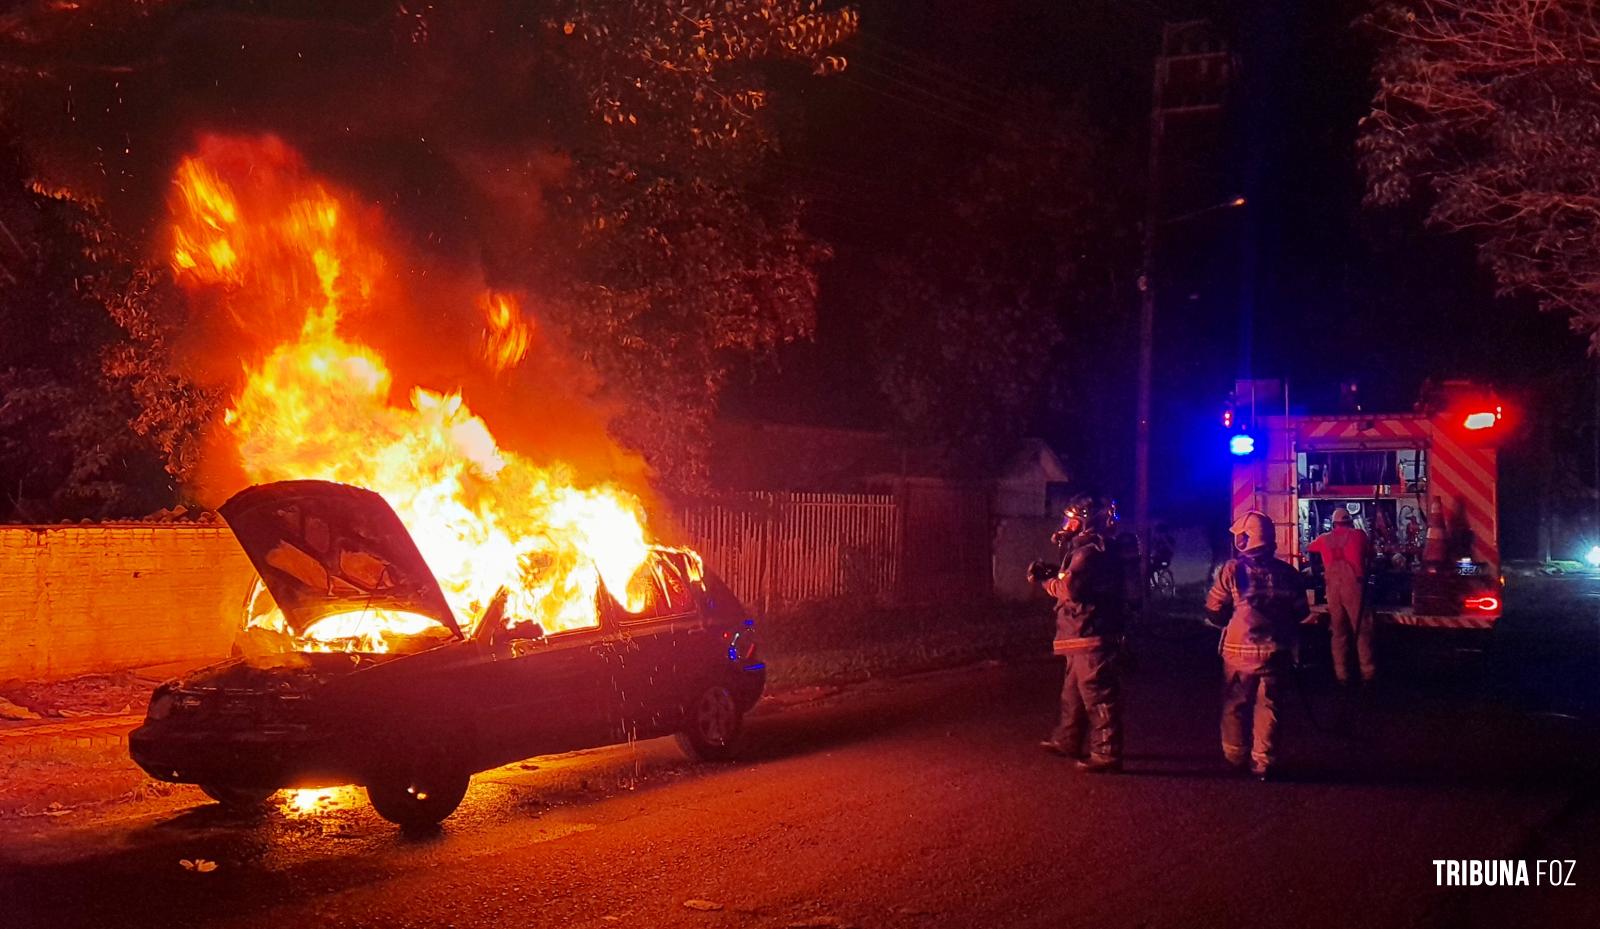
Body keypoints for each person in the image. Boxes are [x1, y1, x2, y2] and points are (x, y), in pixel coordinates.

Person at [1205, 510, 1308, 780]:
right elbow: (1300, 611)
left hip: (1239, 654)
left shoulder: (1233, 569)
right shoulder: (1288, 573)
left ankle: (1235, 756)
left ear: (1245, 540)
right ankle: (1264, 762)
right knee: (1270, 706)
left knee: (1235, 704)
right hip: (1277, 653)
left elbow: (1214, 611)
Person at [1030, 495, 1127, 773]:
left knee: (1097, 694)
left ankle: (1107, 753)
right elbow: (1073, 579)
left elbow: (1070, 590)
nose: (1067, 526)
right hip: (1079, 633)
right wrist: (1054, 574)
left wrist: (1044, 581)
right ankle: (1067, 740)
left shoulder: (1091, 551)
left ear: (1088, 522)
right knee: (1072, 693)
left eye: (1073, 520)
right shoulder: (1086, 550)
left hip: (1091, 634)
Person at [1307, 506, 1373, 686]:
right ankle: (1367, 674)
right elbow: (1370, 553)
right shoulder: (1359, 535)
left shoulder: (1323, 539)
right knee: (1361, 630)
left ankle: (1341, 674)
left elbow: (1309, 547)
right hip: (1354, 588)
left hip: (1333, 590)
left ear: (1334, 523)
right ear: (1349, 521)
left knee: (1338, 632)